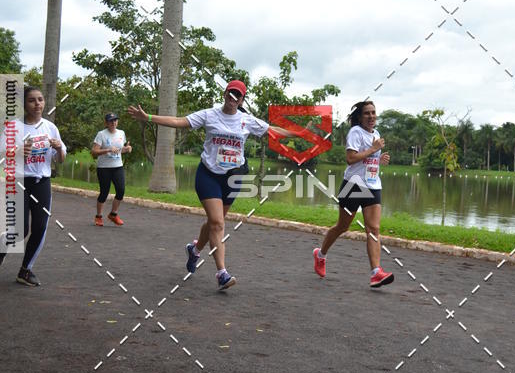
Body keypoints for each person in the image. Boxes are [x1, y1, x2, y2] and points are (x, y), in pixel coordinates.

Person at [128, 80, 298, 291]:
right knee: (218, 223)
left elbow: (273, 131)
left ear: (242, 99)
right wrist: (149, 118)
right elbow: (179, 121)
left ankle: (195, 249)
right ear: (225, 93)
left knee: (213, 222)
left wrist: (299, 133)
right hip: (208, 175)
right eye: (231, 93)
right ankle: (222, 274)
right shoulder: (209, 115)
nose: (233, 98)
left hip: (231, 179)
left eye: (238, 96)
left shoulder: (247, 120)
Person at [313, 99, 394, 288]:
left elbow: (367, 159)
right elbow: (350, 159)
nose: (371, 116)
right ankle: (320, 254)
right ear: (359, 117)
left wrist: (378, 158)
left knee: (373, 229)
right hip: (353, 186)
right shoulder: (355, 132)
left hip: (373, 185)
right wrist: (373, 149)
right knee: (342, 226)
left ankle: (376, 273)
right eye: (367, 113)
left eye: (373, 112)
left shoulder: (377, 133)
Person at [0, 86, 66, 287]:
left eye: (40, 99)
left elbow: (61, 159)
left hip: (42, 183)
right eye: (32, 100)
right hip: (19, 181)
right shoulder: (13, 127)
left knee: (40, 226)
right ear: (24, 104)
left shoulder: (50, 127)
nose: (37, 104)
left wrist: (58, 148)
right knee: (19, 229)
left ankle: (25, 271)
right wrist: (19, 150)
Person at [92, 113, 132, 226]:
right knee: (104, 193)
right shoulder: (101, 134)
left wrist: (127, 149)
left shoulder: (121, 133)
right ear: (106, 123)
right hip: (104, 168)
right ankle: (98, 216)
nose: (113, 123)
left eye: (115, 120)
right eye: (111, 121)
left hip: (117, 166)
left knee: (121, 190)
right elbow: (94, 152)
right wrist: (107, 150)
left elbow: (120, 150)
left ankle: (113, 214)